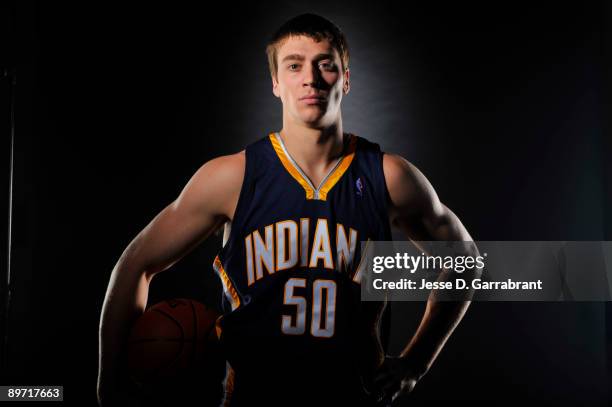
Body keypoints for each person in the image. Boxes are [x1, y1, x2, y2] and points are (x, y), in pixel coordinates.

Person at [97, 13, 479, 407]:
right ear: (277, 83)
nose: (310, 78)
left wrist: (416, 362)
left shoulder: (389, 176)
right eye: (294, 65)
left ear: (345, 79)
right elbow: (134, 265)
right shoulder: (233, 177)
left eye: (325, 64)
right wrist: (109, 386)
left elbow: (465, 260)